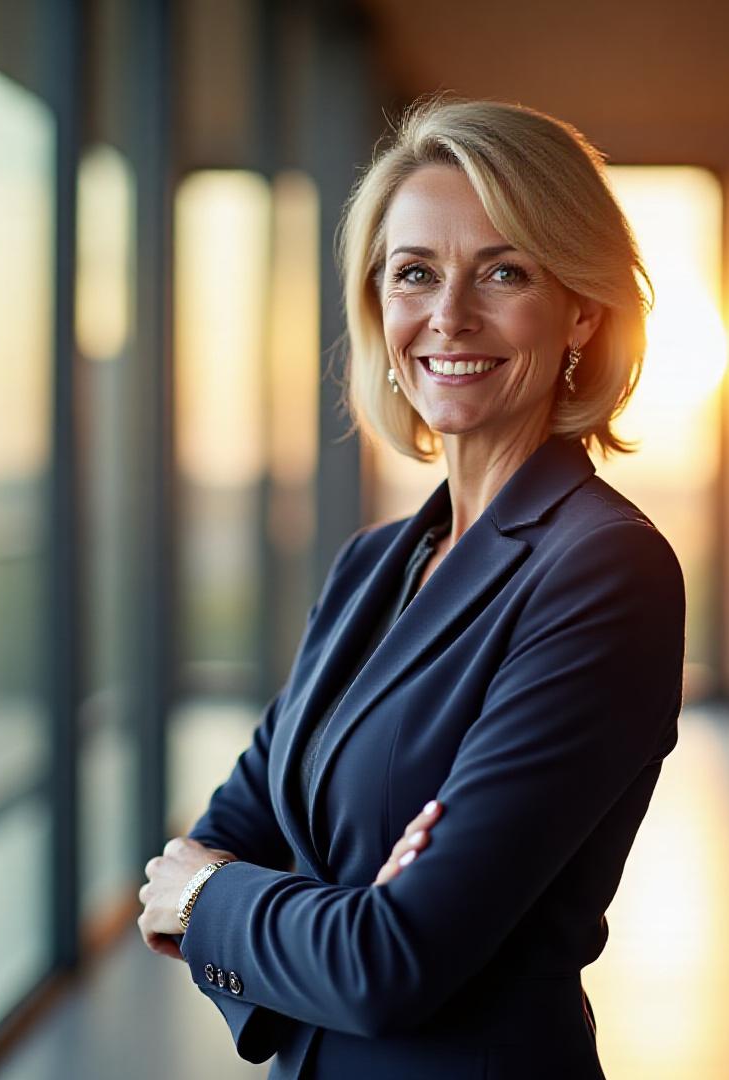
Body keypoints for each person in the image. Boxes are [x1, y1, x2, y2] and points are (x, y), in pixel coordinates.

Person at [136, 95, 685, 1079]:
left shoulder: (606, 570)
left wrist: (229, 903)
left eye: (504, 272)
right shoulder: (370, 567)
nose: (449, 317)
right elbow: (223, 836)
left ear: (583, 312)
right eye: (415, 274)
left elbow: (388, 963)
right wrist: (333, 917)